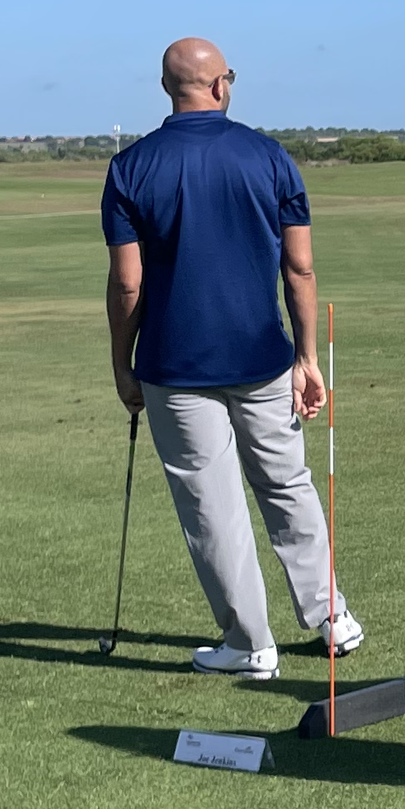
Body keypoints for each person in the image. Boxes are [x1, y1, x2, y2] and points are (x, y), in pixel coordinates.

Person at [101, 36, 362, 680]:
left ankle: (250, 645)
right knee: (287, 483)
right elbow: (298, 268)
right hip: (264, 360)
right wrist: (308, 357)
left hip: (173, 368)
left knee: (212, 505)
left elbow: (128, 284)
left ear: (168, 88)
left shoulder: (130, 167)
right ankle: (332, 617)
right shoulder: (269, 156)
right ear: (220, 85)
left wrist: (121, 363)